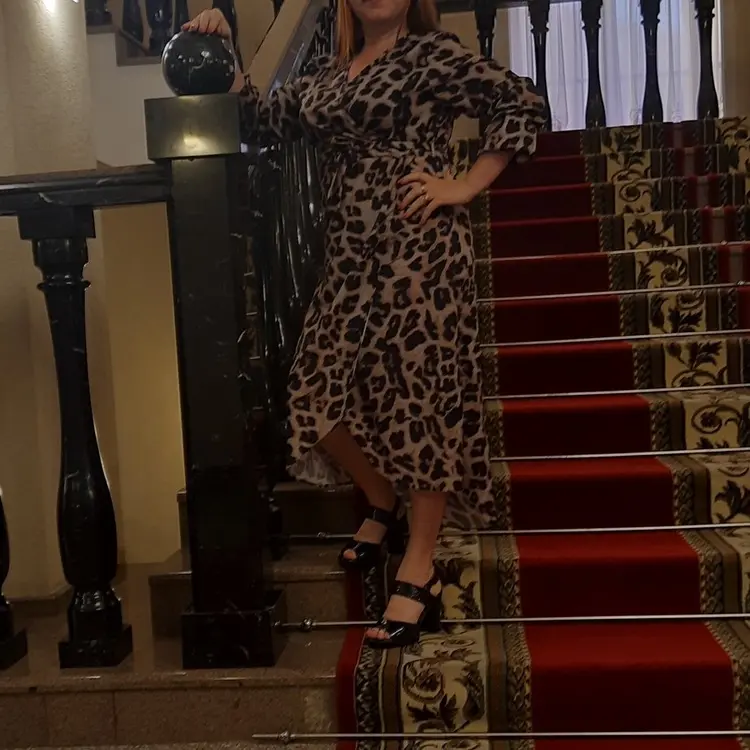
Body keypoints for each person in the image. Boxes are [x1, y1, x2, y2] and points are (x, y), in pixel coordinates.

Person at [185, 0, 546, 650]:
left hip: (421, 252)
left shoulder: (431, 55)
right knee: (311, 394)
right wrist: (223, 40)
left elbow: (521, 103)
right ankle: (383, 499)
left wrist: (463, 185)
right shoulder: (329, 75)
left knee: (421, 405)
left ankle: (419, 565)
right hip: (349, 256)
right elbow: (261, 117)